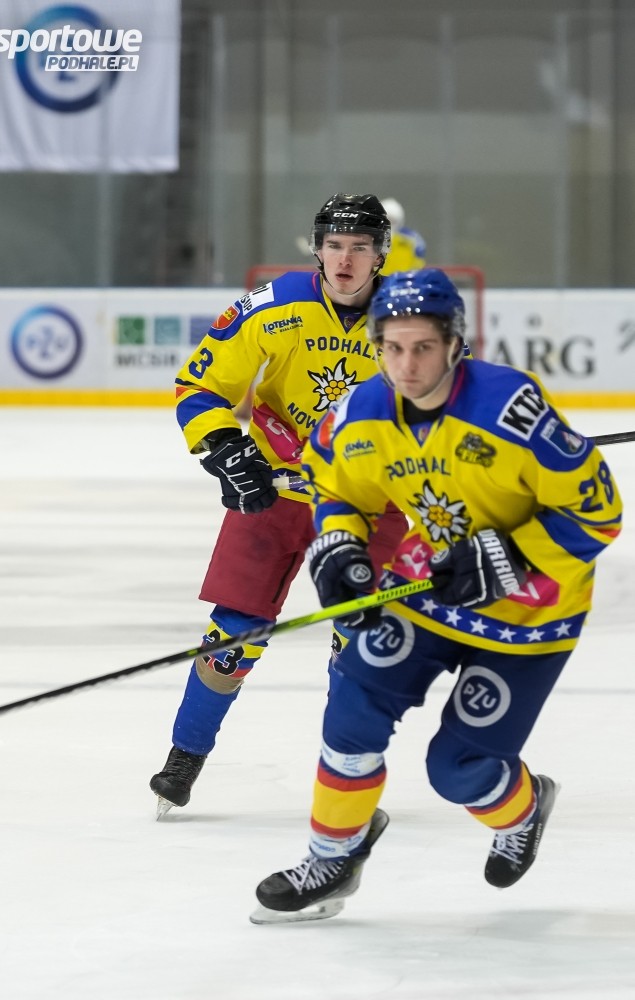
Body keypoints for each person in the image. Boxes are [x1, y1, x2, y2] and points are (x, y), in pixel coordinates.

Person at [251, 268, 623, 924]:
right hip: (429, 588)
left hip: (531, 611)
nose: (407, 365)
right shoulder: (362, 413)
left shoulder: (511, 409)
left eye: (422, 347)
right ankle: (333, 856)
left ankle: (524, 809)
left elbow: (599, 512)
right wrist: (339, 546)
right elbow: (335, 488)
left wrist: (506, 556)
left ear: (454, 343)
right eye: (392, 348)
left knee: (458, 768)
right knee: (353, 706)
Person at [149, 194, 409, 818]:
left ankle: (348, 777)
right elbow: (200, 384)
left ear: (381, 255)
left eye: (360, 247)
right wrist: (226, 448)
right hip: (275, 492)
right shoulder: (274, 305)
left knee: (361, 640)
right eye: (335, 245)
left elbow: (452, 408)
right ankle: (184, 758)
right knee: (232, 635)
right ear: (317, 248)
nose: (345, 259)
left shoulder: (412, 319)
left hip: (367, 502)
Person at [380, 197, 427, 275]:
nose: (390, 225)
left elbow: (419, 262)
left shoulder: (411, 239)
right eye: (387, 220)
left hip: (404, 280)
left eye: (393, 221)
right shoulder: (371, 238)